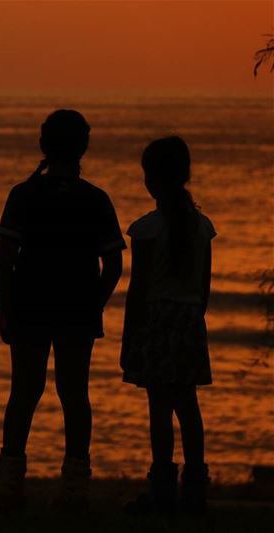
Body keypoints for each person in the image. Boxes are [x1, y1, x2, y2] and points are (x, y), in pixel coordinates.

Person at [0, 109, 124, 512]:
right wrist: (93, 304)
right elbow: (114, 265)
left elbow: (4, 260)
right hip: (75, 312)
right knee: (74, 395)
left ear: (43, 145)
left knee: (24, 393)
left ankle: (10, 485)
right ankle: (75, 487)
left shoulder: (24, 195)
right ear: (83, 147)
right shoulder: (95, 199)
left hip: (29, 307)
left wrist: (5, 310)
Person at [122, 137, 215, 515]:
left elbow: (138, 290)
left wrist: (131, 338)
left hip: (157, 321)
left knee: (159, 408)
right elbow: (204, 286)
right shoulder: (202, 226)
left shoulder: (147, 229)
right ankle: (194, 490)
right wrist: (194, 320)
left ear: (152, 180)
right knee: (188, 406)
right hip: (189, 320)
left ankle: (162, 491)